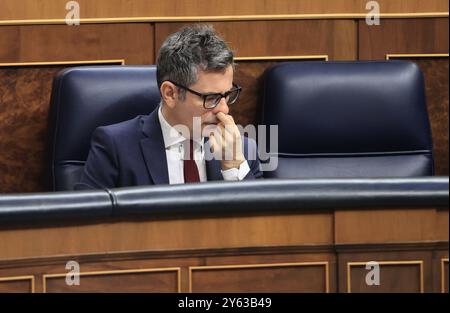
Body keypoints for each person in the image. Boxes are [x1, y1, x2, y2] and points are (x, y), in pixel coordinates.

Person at [75, 25, 262, 190]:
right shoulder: (115, 148)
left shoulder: (243, 150)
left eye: (227, 95)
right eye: (211, 98)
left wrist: (234, 167)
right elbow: (84, 225)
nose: (224, 110)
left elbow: (264, 227)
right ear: (170, 94)